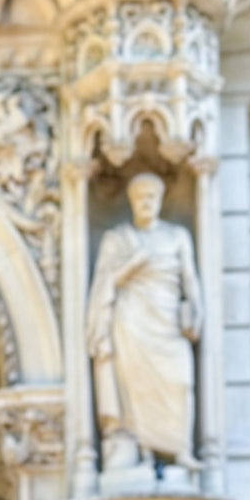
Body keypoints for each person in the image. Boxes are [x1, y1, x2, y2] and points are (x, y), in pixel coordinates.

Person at [87, 172, 203, 471]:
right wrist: (130, 266)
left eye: (151, 197)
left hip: (168, 320)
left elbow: (189, 278)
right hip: (131, 321)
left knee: (181, 380)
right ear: (132, 201)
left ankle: (182, 450)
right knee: (133, 387)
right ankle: (143, 450)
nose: (146, 203)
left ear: (160, 201)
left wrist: (196, 309)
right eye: (140, 198)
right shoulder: (119, 238)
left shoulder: (177, 236)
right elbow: (103, 283)